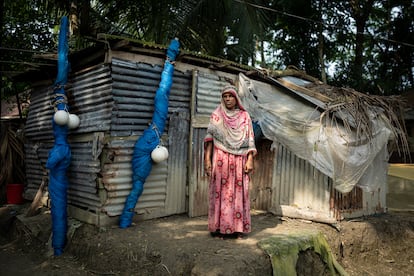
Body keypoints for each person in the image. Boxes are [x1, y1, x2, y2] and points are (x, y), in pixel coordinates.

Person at [204, 85, 257, 239]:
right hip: (221, 159)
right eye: (225, 96)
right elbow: (209, 140)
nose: (227, 99)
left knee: (238, 193)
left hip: (240, 160)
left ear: (236, 98)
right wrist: (207, 160)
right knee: (221, 193)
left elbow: (250, 139)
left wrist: (250, 159)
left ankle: (237, 229)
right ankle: (220, 228)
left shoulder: (244, 116)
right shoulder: (216, 115)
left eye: (230, 96)